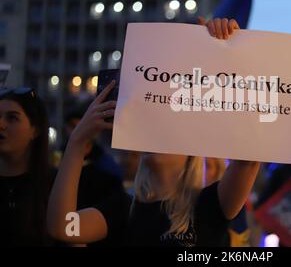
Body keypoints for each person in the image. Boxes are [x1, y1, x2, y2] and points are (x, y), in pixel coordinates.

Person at [47, 18, 261, 246]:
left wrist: (232, 52)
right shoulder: (124, 207)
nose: (153, 135)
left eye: (165, 127)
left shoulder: (211, 204)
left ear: (192, 148)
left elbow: (249, 158)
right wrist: (78, 141)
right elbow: (63, 228)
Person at [0, 88, 55, 246]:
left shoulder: (57, 185)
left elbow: (73, 235)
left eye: (12, 118)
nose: (1, 124)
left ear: (35, 130)